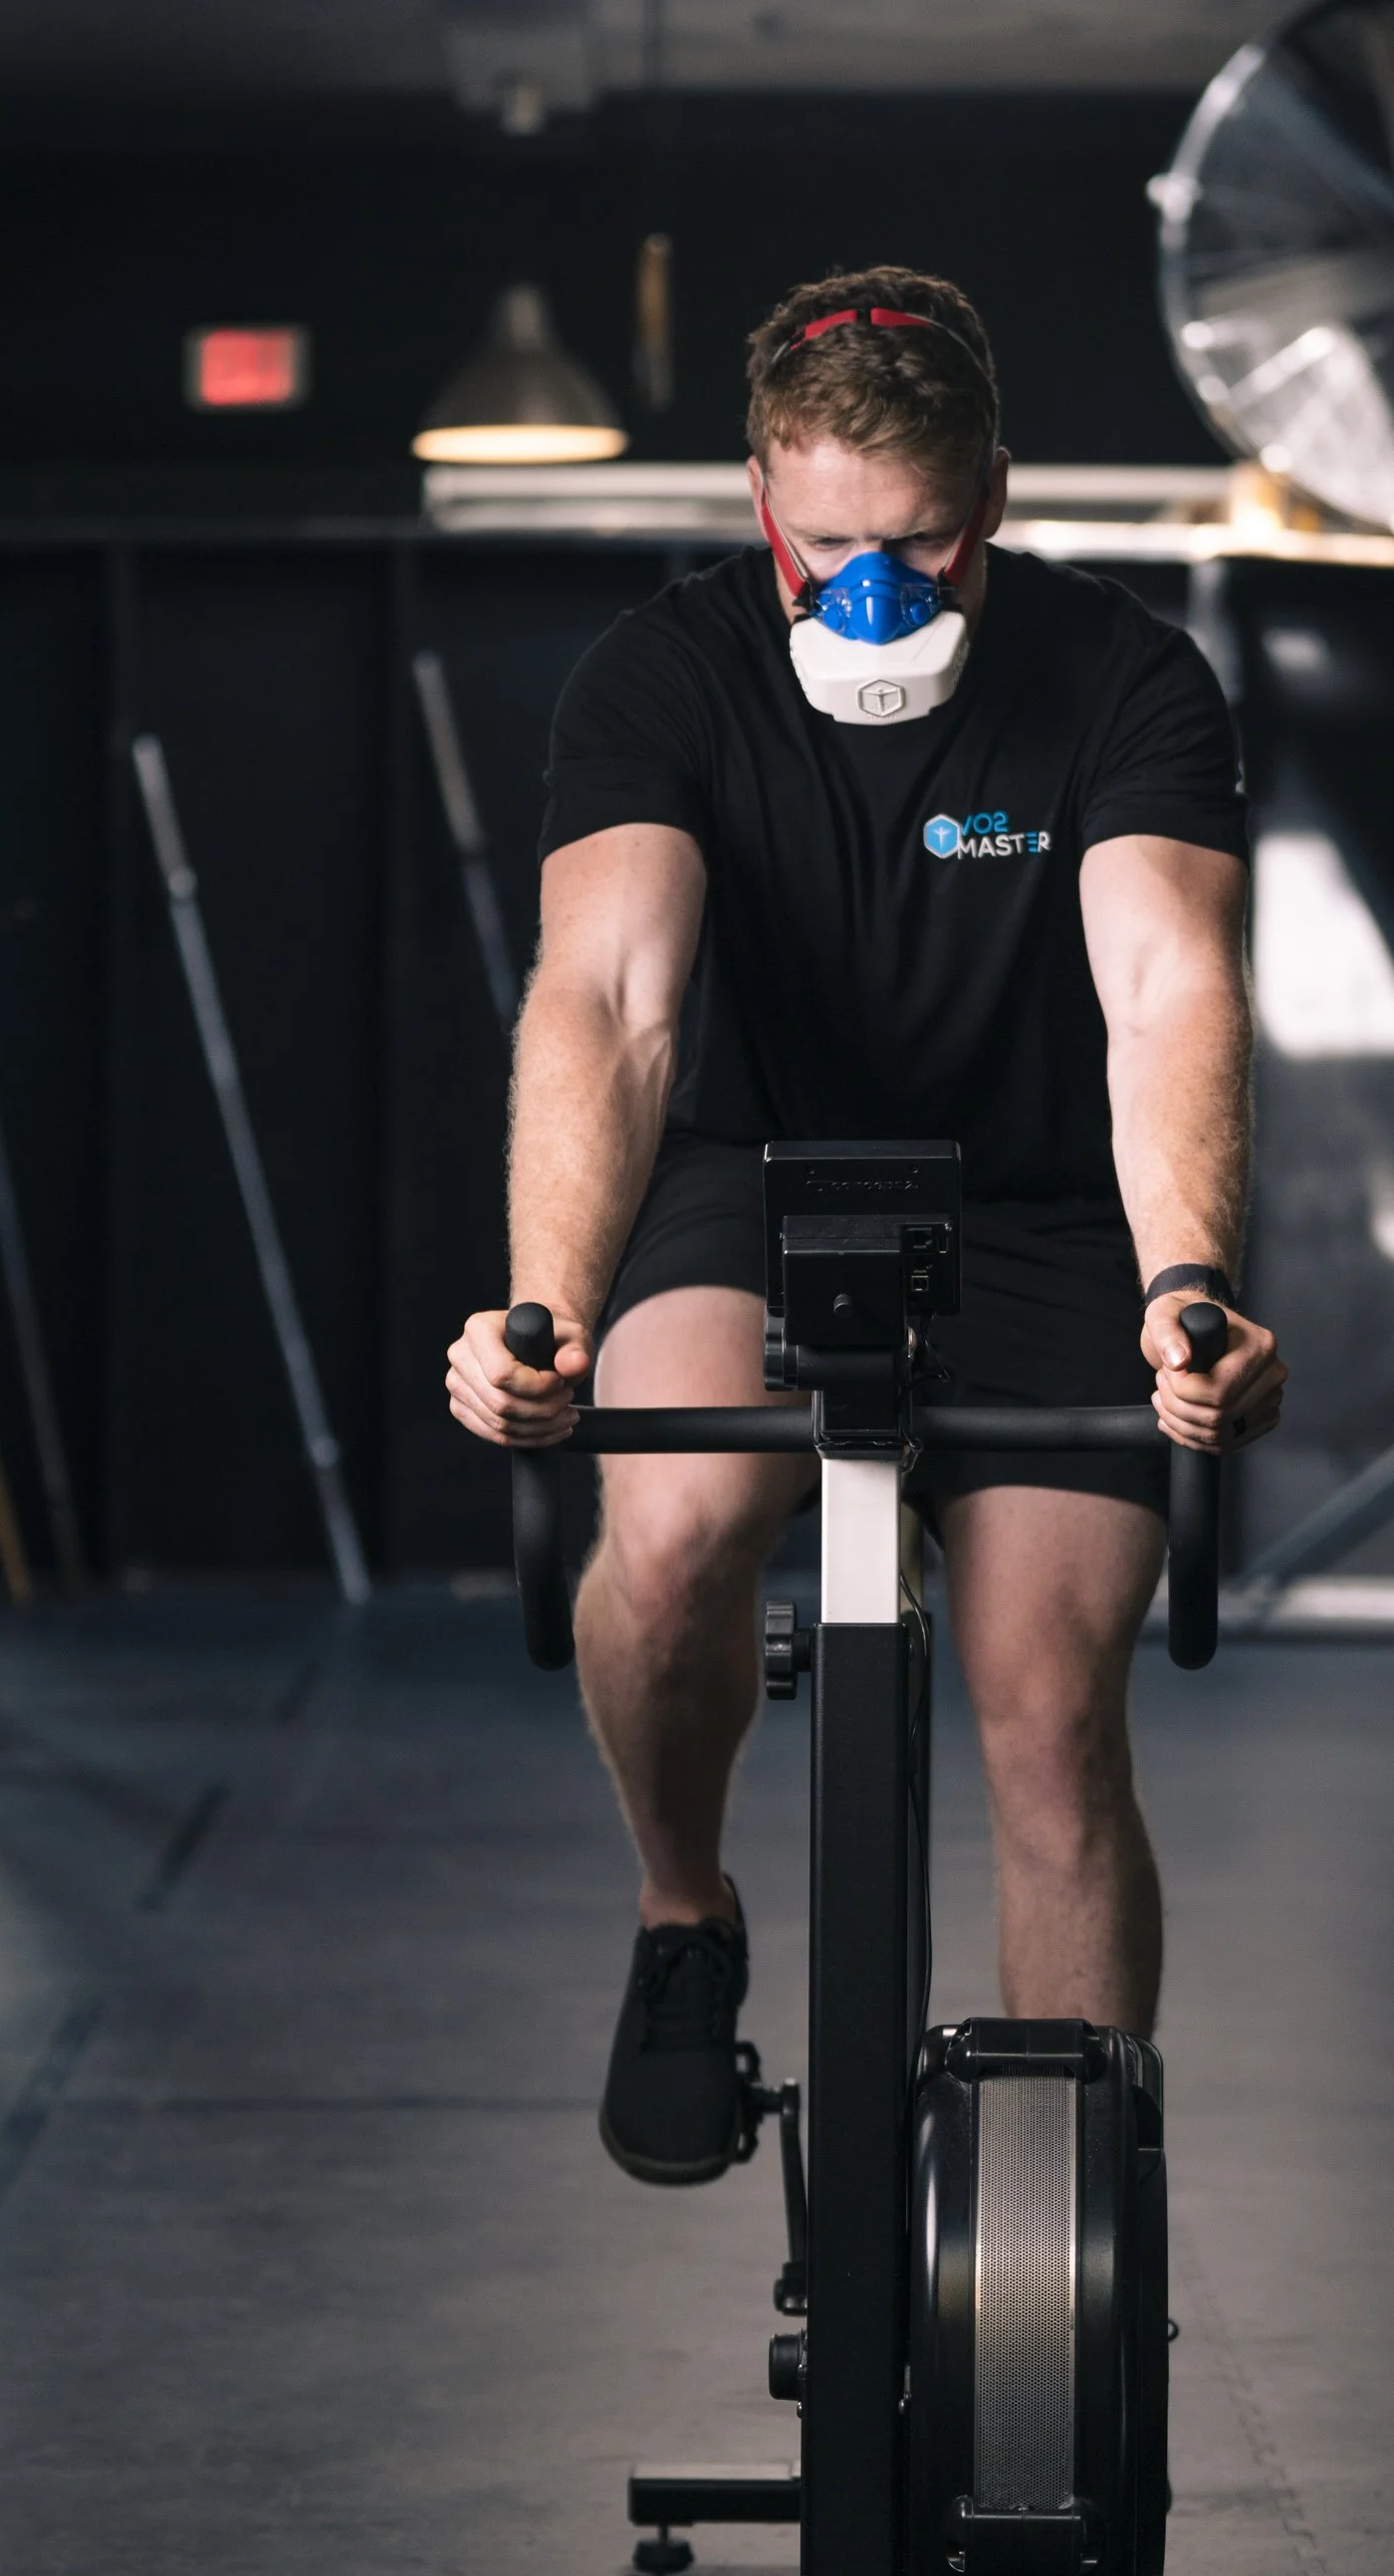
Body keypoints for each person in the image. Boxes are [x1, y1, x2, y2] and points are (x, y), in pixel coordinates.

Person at [447, 265, 1286, 2188]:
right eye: (827, 548)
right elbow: (612, 1000)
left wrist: (1189, 1289)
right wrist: (542, 1314)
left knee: (1051, 1716)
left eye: (918, 546)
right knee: (676, 1535)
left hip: (1044, 1206)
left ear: (991, 495)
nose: (873, 595)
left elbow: (1169, 987)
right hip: (748, 1177)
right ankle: (683, 1910)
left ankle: (1056, 2241)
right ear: (763, 498)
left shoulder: (1126, 677)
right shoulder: (666, 675)